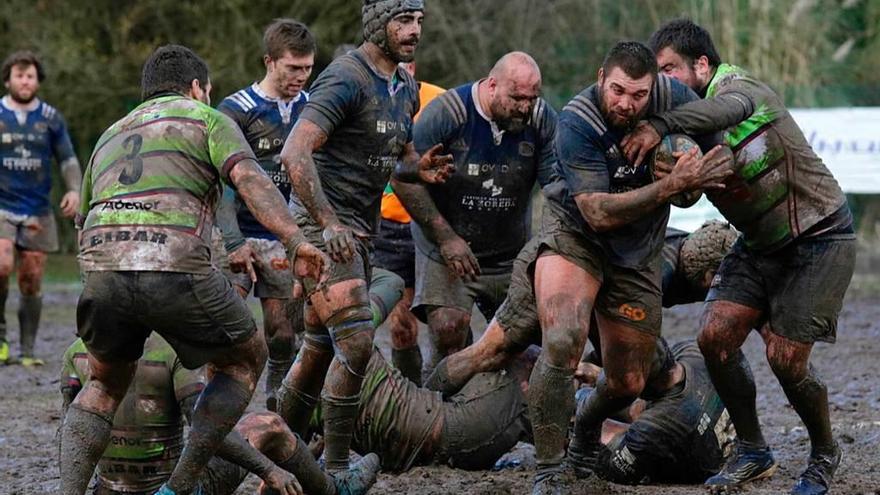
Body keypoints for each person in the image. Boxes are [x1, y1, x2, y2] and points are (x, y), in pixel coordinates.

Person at [60, 45, 329, 495]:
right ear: (196, 87)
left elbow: (82, 221)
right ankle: (177, 489)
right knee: (245, 360)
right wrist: (295, 239)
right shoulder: (207, 118)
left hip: (102, 268)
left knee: (104, 383)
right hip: (174, 262)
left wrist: (98, 281)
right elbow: (249, 180)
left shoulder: (109, 134)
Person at [619, 19, 856, 495]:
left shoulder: (740, 87)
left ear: (702, 65)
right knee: (715, 337)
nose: (663, 83)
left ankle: (825, 453)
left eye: (670, 70)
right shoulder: (682, 127)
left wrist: (662, 123)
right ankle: (753, 451)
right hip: (758, 244)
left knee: (786, 360)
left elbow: (725, 111)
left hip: (820, 237)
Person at [527, 40, 732, 494]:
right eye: (618, 91)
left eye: (638, 95)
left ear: (654, 86)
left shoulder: (671, 98)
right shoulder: (578, 121)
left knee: (628, 380)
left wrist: (691, 164)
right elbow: (597, 212)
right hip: (576, 237)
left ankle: (584, 429)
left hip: (638, 253)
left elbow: (727, 136)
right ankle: (547, 471)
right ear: (602, 77)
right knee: (561, 340)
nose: (626, 103)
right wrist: (669, 188)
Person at [278, 0, 454, 476]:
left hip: (362, 233)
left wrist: (418, 168)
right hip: (326, 232)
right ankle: (335, 471)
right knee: (354, 347)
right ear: (376, 23)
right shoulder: (345, 77)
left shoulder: (405, 86)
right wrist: (328, 222)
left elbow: (397, 158)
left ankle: (277, 451)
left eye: (418, 20)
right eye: (402, 20)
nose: (414, 30)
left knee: (317, 347)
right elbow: (295, 153)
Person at [425, 221, 739, 397]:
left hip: (582, 274)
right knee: (491, 351)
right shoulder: (662, 274)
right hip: (558, 268)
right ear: (709, 277)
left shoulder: (689, 242)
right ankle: (425, 403)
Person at [392, 51, 557, 374]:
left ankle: (511, 411)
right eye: (517, 98)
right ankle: (439, 407)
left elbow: (557, 188)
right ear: (492, 85)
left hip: (510, 252)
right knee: (449, 330)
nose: (525, 107)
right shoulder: (448, 113)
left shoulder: (540, 119)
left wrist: (545, 249)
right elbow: (402, 177)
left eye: (532, 98)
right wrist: (445, 237)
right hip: (447, 247)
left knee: (530, 341)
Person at [60, 335, 379, 495]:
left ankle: (307, 467)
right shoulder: (168, 350)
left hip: (108, 489)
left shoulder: (74, 352)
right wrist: (269, 471)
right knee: (268, 425)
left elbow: (72, 437)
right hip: (170, 488)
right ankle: (336, 490)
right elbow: (211, 430)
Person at [216, 19, 316, 410]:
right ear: (269, 61)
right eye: (293, 68)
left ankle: (278, 406)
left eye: (307, 68)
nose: (300, 76)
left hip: (284, 235)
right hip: (238, 230)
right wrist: (232, 240)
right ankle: (217, 408)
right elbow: (222, 184)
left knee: (282, 330)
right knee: (225, 327)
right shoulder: (235, 109)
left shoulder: (314, 109)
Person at [0, 50, 81, 366]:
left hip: (37, 208)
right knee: (2, 264)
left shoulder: (51, 118)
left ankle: (29, 350)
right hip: (2, 205)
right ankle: (1, 338)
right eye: (19, 75)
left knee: (31, 277)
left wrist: (74, 190)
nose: (24, 81)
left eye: (30, 75)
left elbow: (68, 160)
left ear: (37, 81)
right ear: (8, 79)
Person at [574, 340, 735, 485]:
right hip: (717, 436)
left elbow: (615, 470)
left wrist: (584, 402)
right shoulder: (693, 352)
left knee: (586, 419)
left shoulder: (654, 424)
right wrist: (598, 375)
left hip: (698, 461)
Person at [373, 59, 444, 385]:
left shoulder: (440, 102)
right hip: (389, 227)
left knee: (445, 321)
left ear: (413, 67)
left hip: (433, 224)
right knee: (400, 325)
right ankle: (411, 397)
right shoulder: (366, 104)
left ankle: (447, 394)